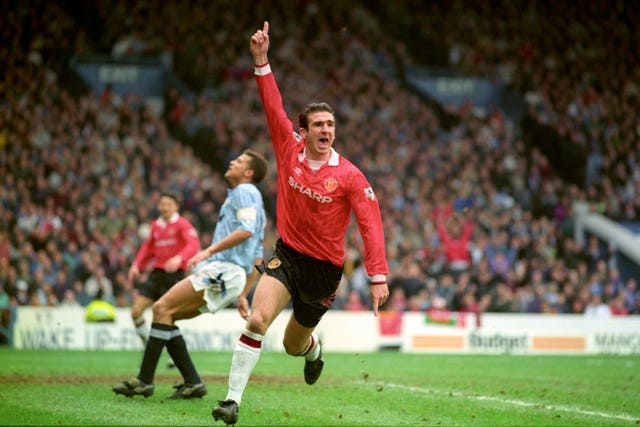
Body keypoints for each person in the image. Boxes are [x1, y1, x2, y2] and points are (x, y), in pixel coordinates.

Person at [212, 21, 389, 425]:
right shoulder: (288, 149)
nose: (326, 130)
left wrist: (377, 275)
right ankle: (232, 401)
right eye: (319, 125)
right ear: (304, 131)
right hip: (288, 255)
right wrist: (261, 61)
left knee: (293, 345)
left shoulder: (349, 176)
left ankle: (313, 351)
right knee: (257, 320)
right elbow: (273, 106)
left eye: (331, 125)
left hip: (324, 271)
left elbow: (371, 225)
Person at [112, 149, 268, 399]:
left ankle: (144, 381)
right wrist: (244, 292)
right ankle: (193, 382)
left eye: (239, 161)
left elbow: (247, 231)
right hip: (231, 275)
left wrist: (209, 252)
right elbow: (258, 253)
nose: (231, 161)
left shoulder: (245, 192)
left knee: (162, 308)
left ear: (248, 173)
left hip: (223, 271)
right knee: (167, 314)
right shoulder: (250, 199)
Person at [127, 193, 200, 361]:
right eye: (162, 204)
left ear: (176, 206)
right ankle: (149, 346)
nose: (164, 207)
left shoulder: (183, 224)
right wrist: (136, 265)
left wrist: (179, 258)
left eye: (168, 204)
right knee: (136, 311)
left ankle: (172, 355)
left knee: (167, 316)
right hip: (157, 274)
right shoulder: (156, 226)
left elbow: (193, 245)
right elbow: (147, 248)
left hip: (175, 276)